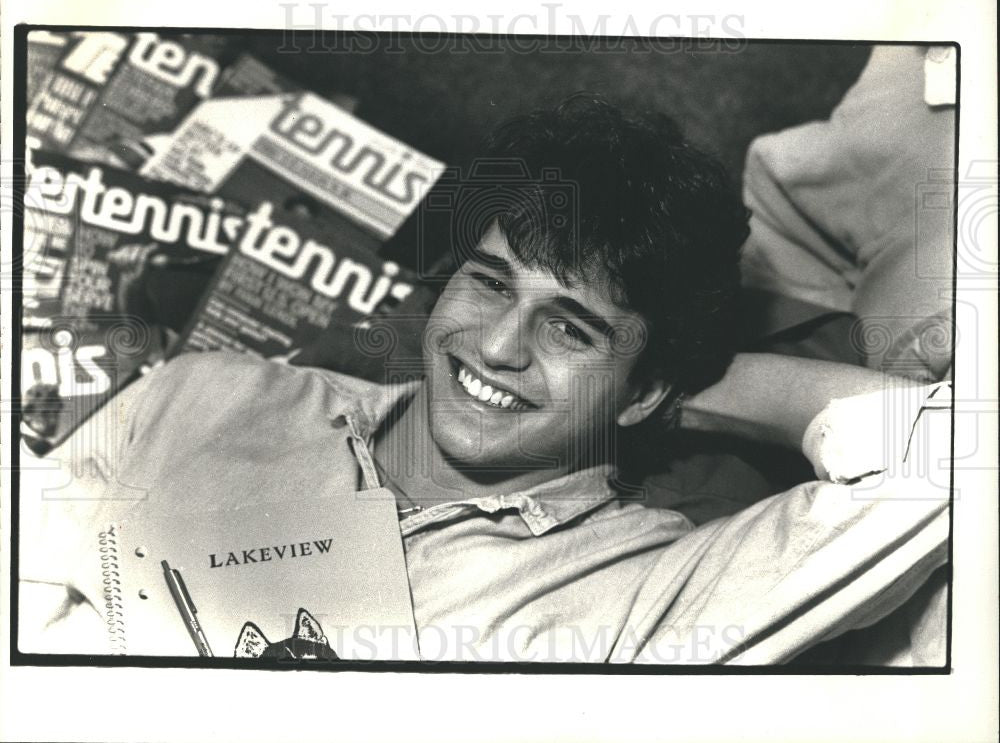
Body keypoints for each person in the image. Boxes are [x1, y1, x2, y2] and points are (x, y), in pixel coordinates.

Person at [18, 96, 950, 664]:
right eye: (491, 281)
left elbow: (956, 453)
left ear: (640, 389)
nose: (498, 345)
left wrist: (702, 381)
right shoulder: (212, 394)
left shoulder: (650, 588)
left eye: (570, 326)